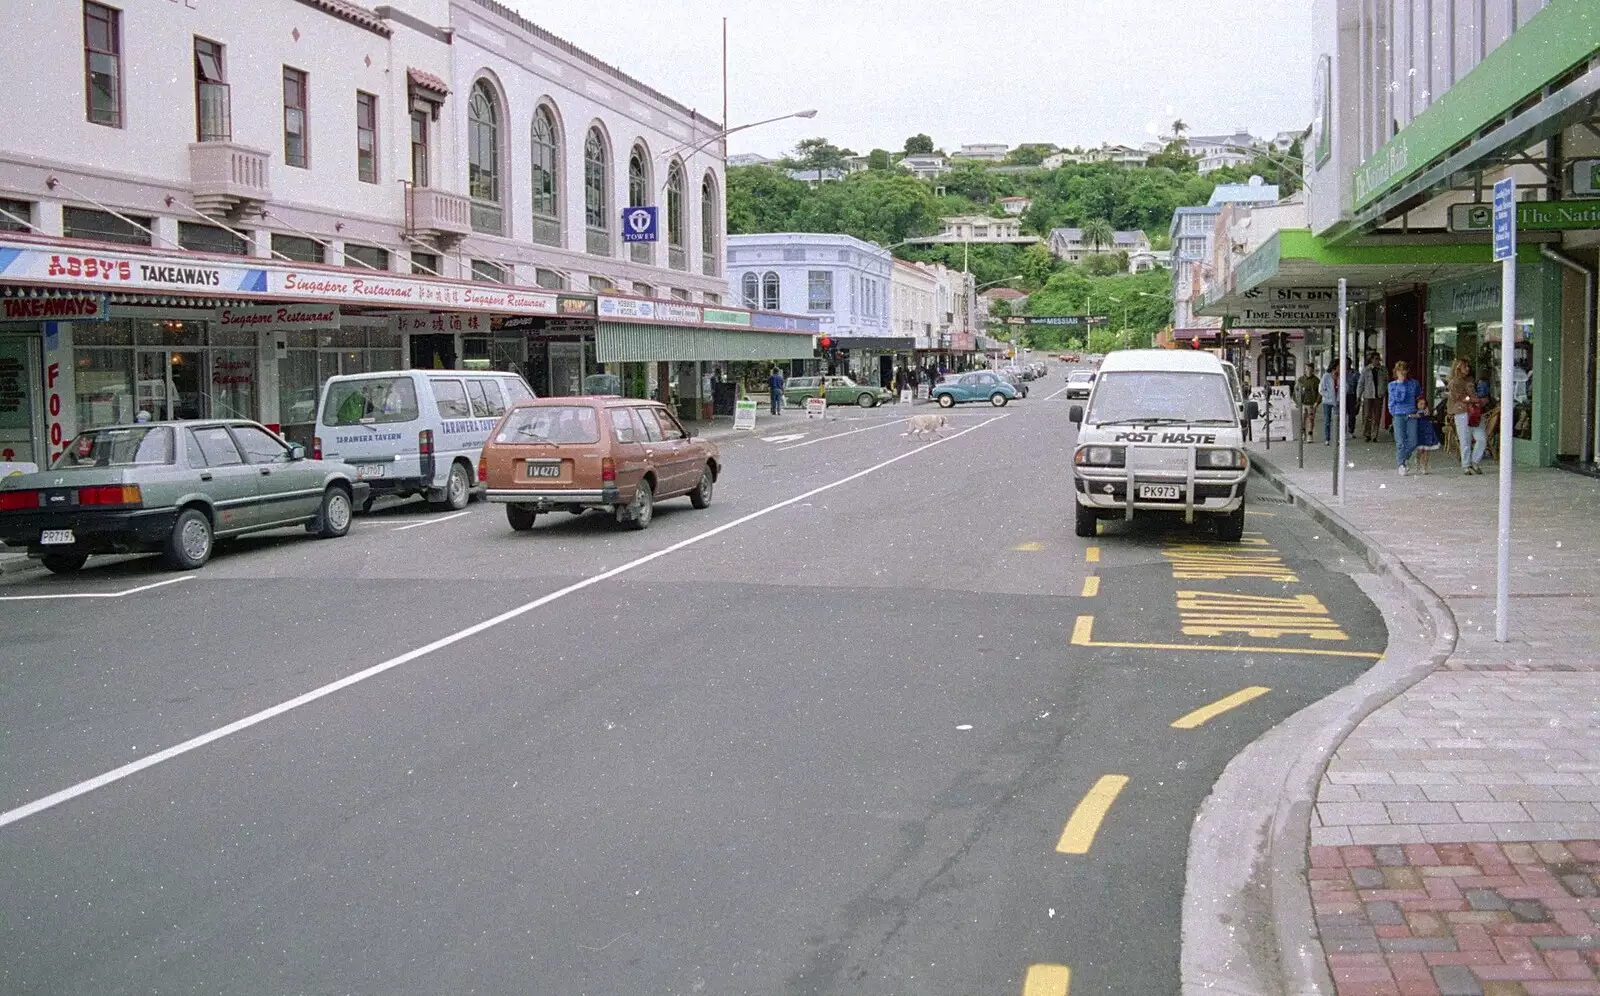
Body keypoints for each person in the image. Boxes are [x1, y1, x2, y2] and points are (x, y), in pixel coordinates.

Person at [1446, 358, 1488, 474]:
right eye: (1465, 367)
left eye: (1468, 366)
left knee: (1481, 438)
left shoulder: (1470, 380)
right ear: (1458, 368)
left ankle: (1475, 461)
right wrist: (1475, 400)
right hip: (1462, 412)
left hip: (1475, 411)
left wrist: (1477, 400)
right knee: (1465, 439)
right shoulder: (1454, 382)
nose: (1468, 369)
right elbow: (1459, 397)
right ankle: (1466, 465)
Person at [1388, 360, 1423, 476]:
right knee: (1400, 441)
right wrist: (1393, 412)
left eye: (1404, 370)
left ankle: (1404, 457)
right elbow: (1395, 400)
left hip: (1411, 413)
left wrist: (1420, 409)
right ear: (1396, 372)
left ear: (1407, 371)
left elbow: (1419, 396)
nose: (1402, 372)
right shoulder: (1392, 385)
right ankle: (1401, 464)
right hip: (1398, 414)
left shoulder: (1414, 383)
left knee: (1413, 441)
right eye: (1399, 370)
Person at [1357, 353, 1384, 442]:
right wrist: (1358, 395)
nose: (1377, 361)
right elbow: (1361, 383)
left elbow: (1386, 381)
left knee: (1377, 416)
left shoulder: (1383, 370)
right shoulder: (1366, 370)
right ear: (1371, 359)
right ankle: (1367, 434)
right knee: (1367, 415)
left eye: (1378, 359)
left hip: (1378, 395)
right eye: (1376, 359)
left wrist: (1384, 391)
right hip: (1368, 395)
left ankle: (1374, 435)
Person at [1295, 366, 1322, 442]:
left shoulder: (1316, 380)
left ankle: (1310, 434)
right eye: (1307, 368)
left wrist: (1317, 402)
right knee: (1302, 419)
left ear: (1313, 370)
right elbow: (1296, 391)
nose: (1309, 370)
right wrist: (1297, 401)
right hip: (1302, 403)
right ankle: (1303, 432)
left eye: (1310, 369)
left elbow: (1320, 392)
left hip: (1311, 403)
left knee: (1310, 419)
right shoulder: (1300, 380)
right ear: (1305, 370)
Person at [1319, 364, 1338, 444]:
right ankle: (1327, 438)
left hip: (1337, 401)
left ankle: (1338, 438)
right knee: (1327, 420)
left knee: (1338, 420)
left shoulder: (1341, 376)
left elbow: (1346, 387)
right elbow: (1321, 389)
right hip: (1327, 401)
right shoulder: (1326, 376)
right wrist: (1329, 396)